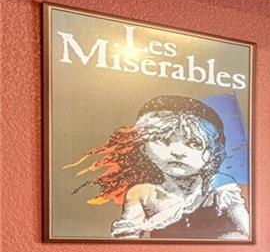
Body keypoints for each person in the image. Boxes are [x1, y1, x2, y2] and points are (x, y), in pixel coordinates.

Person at [68, 94, 251, 240]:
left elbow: (246, 231)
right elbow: (127, 240)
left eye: (195, 143)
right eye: (163, 140)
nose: (178, 151)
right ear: (143, 146)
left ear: (213, 152)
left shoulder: (220, 186)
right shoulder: (141, 193)